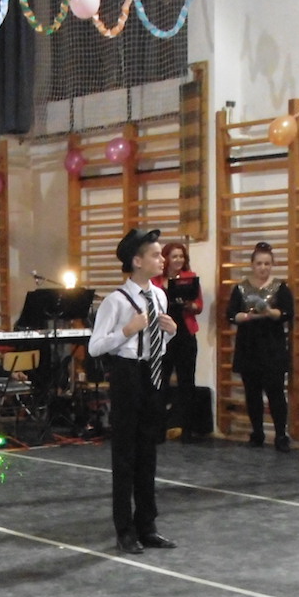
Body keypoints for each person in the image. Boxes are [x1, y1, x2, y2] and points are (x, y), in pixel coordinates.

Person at [87, 227, 179, 554]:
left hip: (152, 372)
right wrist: (127, 330)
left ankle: (147, 525)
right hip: (126, 374)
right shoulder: (115, 301)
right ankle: (124, 529)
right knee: (125, 454)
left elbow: (158, 343)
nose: (162, 259)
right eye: (155, 255)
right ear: (137, 261)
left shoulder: (160, 296)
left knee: (148, 451)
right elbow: (95, 346)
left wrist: (170, 333)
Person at [227, 241, 295, 451]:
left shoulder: (280, 287)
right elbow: (231, 315)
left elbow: (288, 313)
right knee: (252, 393)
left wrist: (269, 312)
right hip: (248, 345)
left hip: (272, 346)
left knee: (275, 393)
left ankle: (281, 435)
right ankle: (257, 432)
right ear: (252, 265)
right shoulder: (240, 288)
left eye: (267, 264)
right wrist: (247, 316)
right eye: (259, 264)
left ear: (272, 264)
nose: (263, 268)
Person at [161, 242, 204, 441]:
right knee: (161, 381)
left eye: (181, 256)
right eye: (174, 256)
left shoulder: (190, 278)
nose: (178, 260)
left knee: (187, 381)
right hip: (163, 336)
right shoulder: (156, 280)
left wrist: (189, 304)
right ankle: (159, 426)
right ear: (166, 259)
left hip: (185, 334)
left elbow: (199, 306)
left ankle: (187, 428)